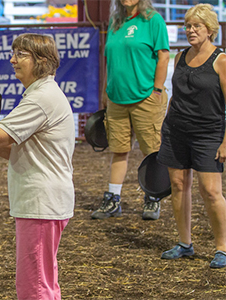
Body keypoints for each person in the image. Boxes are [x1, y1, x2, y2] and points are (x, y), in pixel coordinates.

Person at [0, 33, 75, 299]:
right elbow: (26, 151)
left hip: (41, 203)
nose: (12, 60)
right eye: (13, 53)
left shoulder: (41, 99)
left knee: (35, 287)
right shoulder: (43, 94)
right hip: (44, 202)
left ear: (41, 60)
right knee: (44, 282)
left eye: (20, 55)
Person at [158, 4, 226, 268]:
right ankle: (185, 244)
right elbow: (176, 96)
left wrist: (224, 140)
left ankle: (222, 247)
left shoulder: (221, 60)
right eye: (187, 26)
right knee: (178, 186)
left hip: (208, 133)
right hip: (176, 130)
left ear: (209, 29)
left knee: (210, 191)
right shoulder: (180, 57)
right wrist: (165, 127)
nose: (190, 30)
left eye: (196, 26)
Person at [91, 0, 170, 220]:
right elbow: (111, 61)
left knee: (152, 152)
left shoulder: (153, 21)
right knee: (118, 150)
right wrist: (106, 90)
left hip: (145, 97)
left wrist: (156, 90)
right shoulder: (117, 22)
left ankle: (153, 197)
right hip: (117, 98)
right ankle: (113, 200)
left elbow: (164, 56)